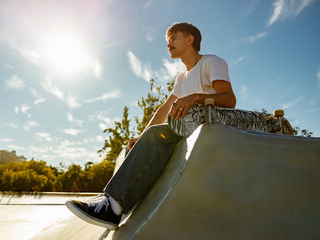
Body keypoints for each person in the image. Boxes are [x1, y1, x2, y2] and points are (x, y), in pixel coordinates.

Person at [65, 22, 236, 230]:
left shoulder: (211, 62)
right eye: (167, 40)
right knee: (137, 143)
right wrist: (142, 136)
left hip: (209, 128)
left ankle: (112, 208)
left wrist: (195, 97)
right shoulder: (181, 77)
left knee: (158, 135)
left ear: (190, 39)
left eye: (174, 38)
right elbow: (165, 108)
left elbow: (229, 99)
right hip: (184, 129)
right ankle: (115, 202)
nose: (169, 44)